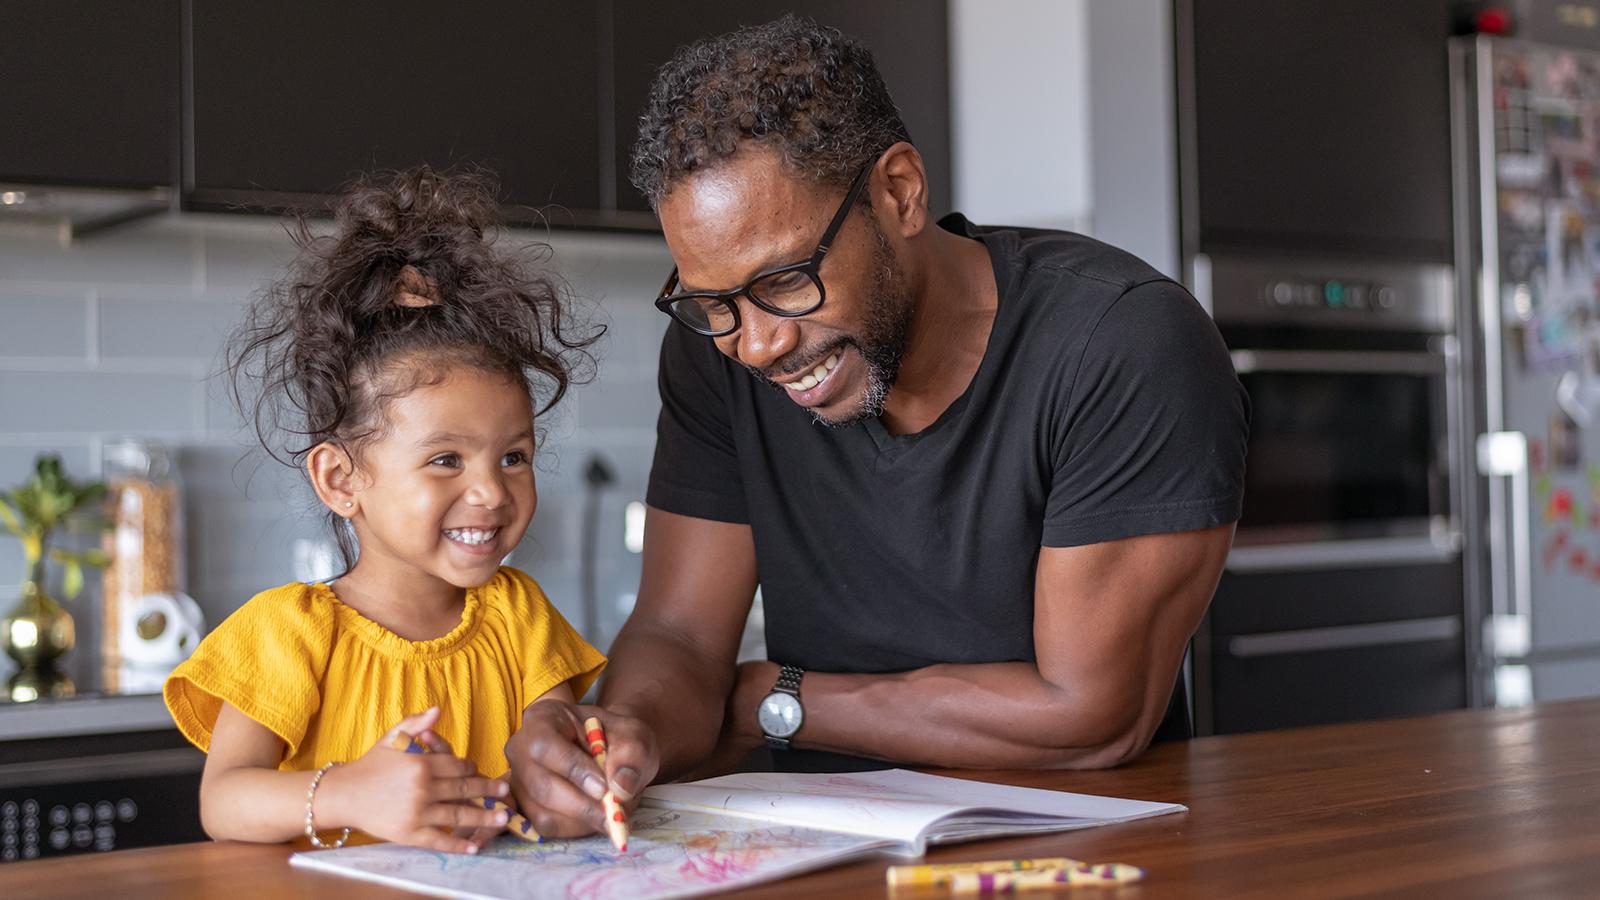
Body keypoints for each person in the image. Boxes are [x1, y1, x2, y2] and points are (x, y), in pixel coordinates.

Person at [508, 14, 1248, 836]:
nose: (755, 345)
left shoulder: (1122, 345)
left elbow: (1089, 718)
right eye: (712, 304)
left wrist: (772, 700)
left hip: (1075, 853)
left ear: (899, 193)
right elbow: (679, 634)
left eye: (785, 281)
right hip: (815, 842)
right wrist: (627, 732)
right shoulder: (721, 354)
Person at [163, 168, 607, 853]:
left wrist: (581, 776)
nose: (492, 491)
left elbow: (552, 753)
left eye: (513, 457)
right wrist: (351, 793)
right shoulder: (286, 634)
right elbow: (223, 801)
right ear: (341, 479)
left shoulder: (522, 618)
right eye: (446, 460)